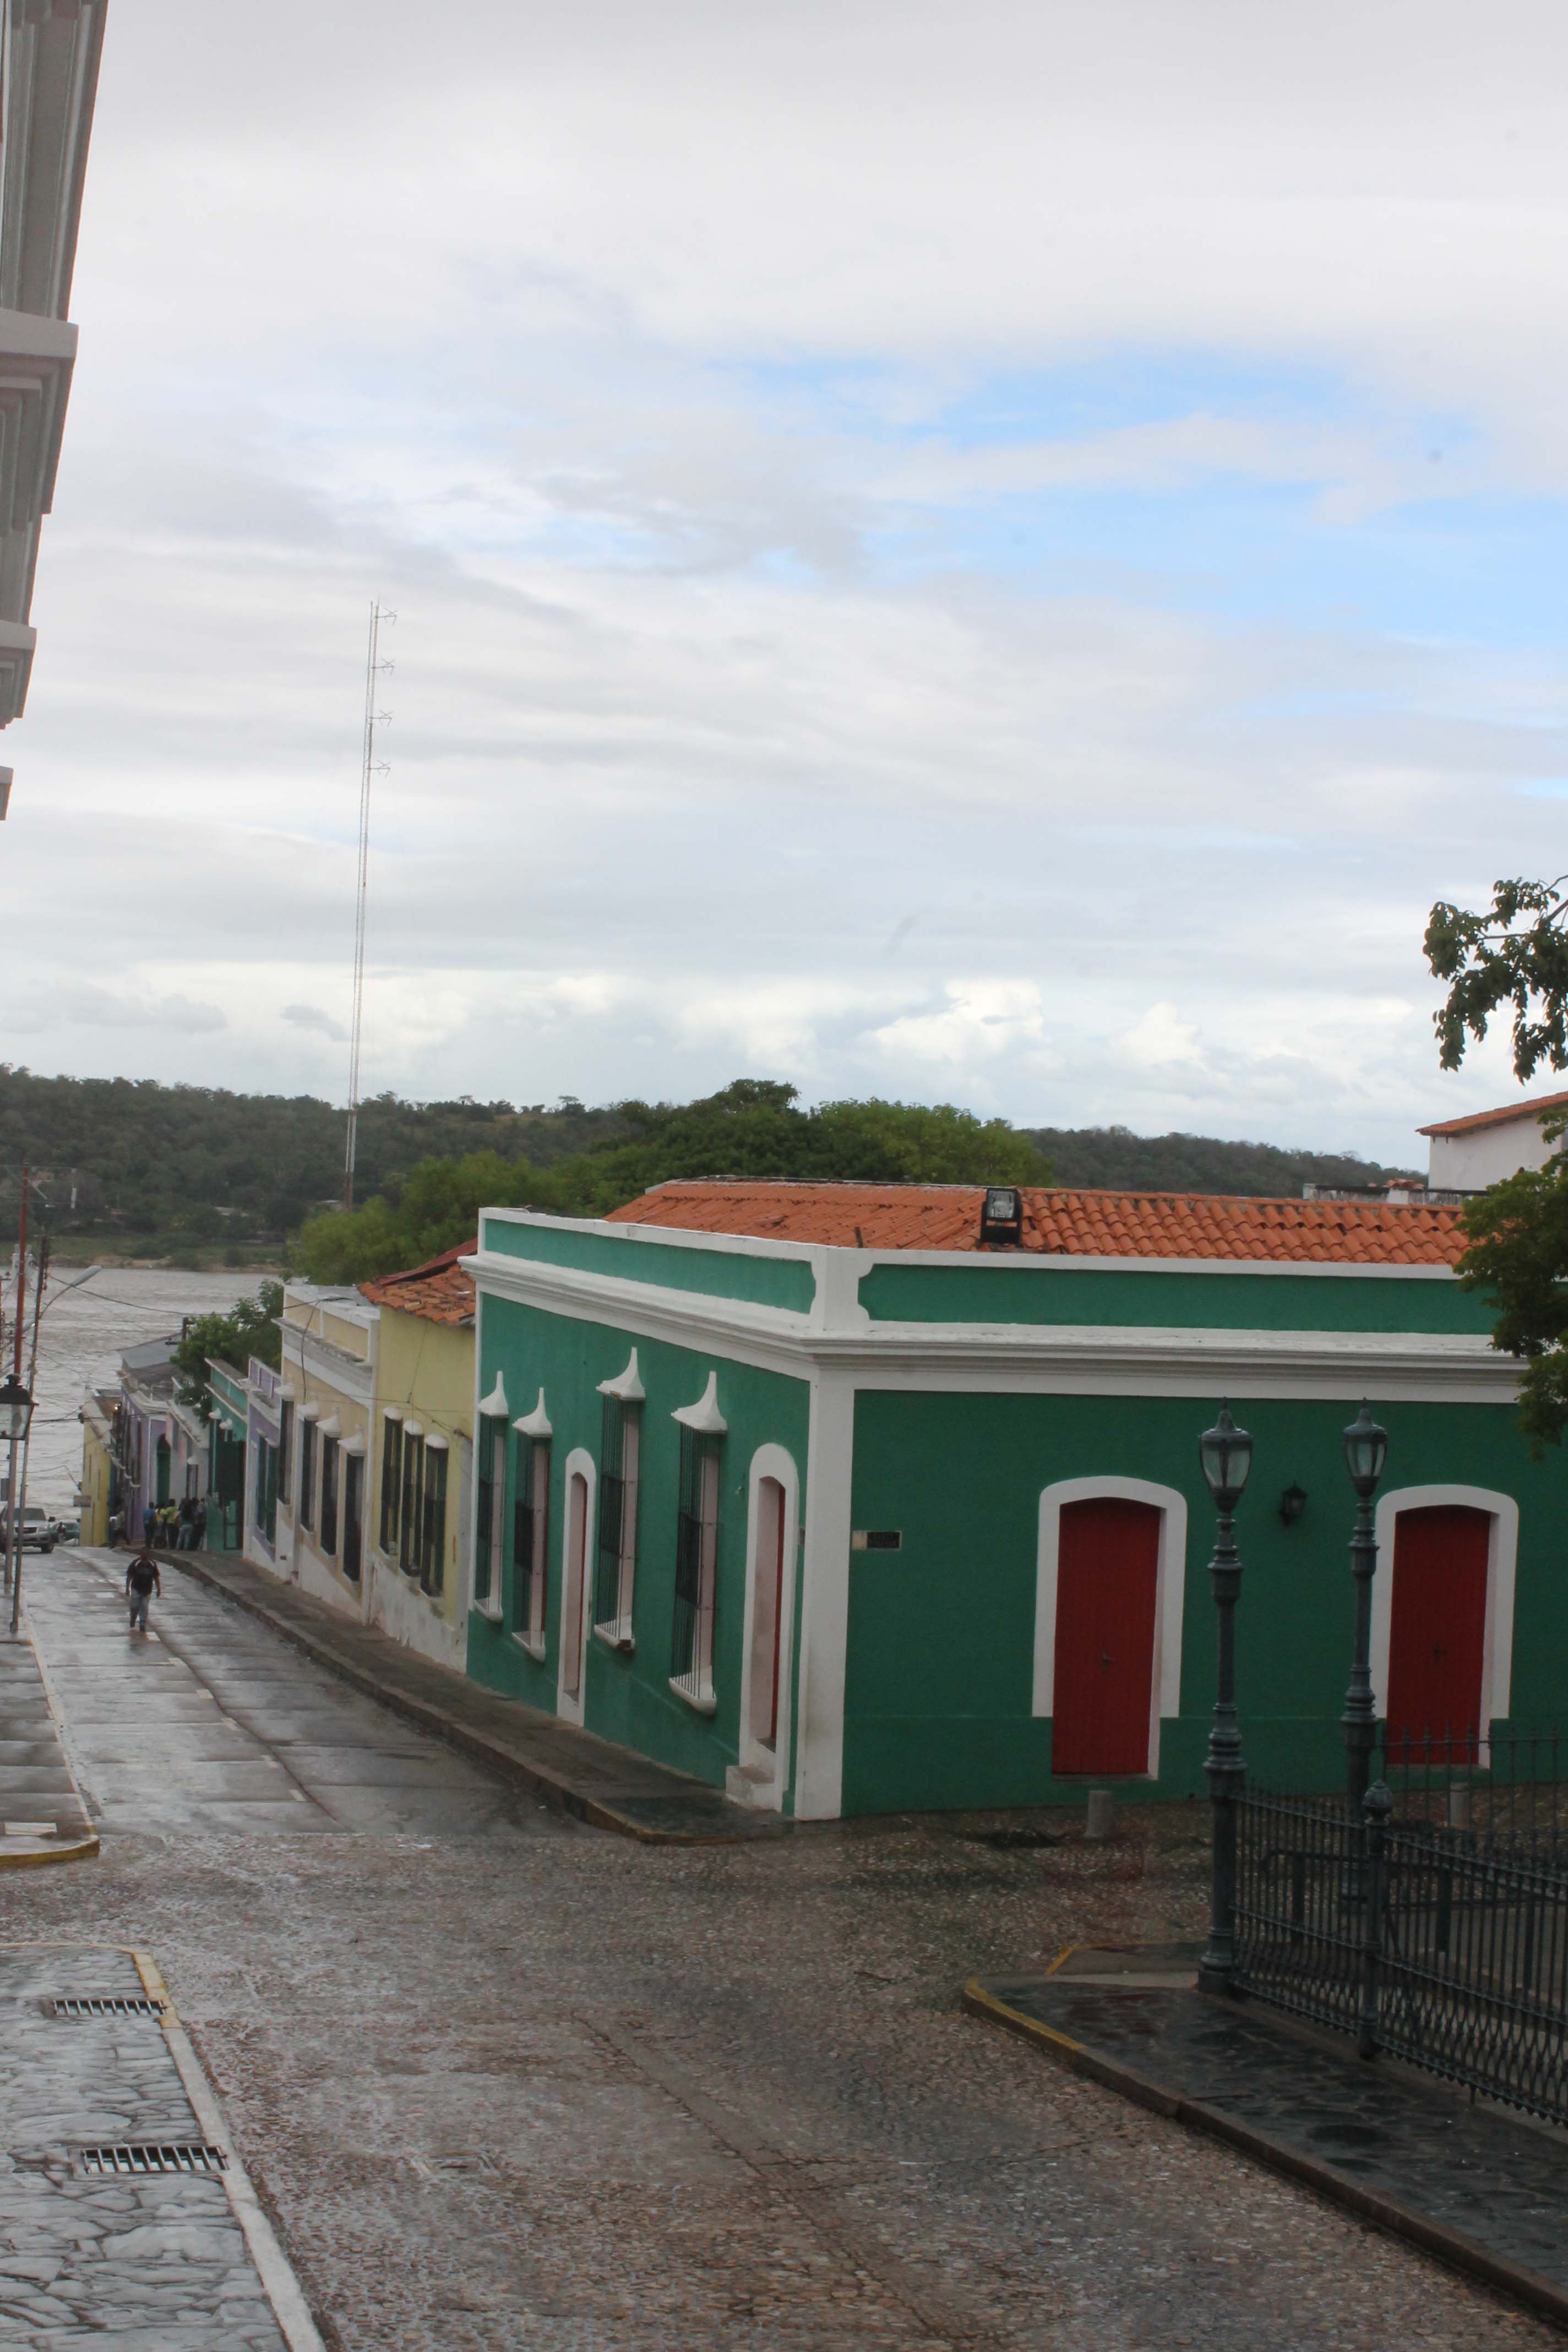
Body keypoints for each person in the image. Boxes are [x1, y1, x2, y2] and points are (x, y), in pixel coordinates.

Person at [125, 1544, 160, 1635]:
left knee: (144, 1606)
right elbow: (129, 1576)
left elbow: (156, 1577)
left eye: (146, 1555)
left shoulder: (152, 1565)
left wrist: (159, 1589)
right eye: (143, 1554)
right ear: (140, 1555)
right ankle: (133, 1618)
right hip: (136, 1589)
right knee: (134, 1606)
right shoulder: (135, 1564)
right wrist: (127, 1588)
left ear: (149, 1555)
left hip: (147, 1590)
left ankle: (143, 1624)